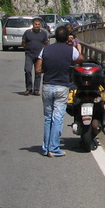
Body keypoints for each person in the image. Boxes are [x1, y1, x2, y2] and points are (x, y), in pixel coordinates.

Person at [38, 24, 80, 156]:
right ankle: (54, 148)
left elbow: (38, 69)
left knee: (48, 118)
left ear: (55, 36)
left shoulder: (45, 49)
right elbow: (80, 59)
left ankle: (46, 148)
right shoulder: (70, 50)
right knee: (57, 118)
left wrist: (48, 69)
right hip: (62, 86)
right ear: (67, 37)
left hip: (47, 86)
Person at [20, 17, 49, 95]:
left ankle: (36, 89)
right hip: (29, 55)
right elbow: (23, 42)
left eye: (38, 24)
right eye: (35, 24)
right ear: (33, 24)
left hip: (39, 56)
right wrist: (27, 49)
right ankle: (28, 88)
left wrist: (44, 52)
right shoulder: (27, 33)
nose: (37, 26)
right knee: (28, 70)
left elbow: (46, 43)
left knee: (38, 72)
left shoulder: (43, 33)